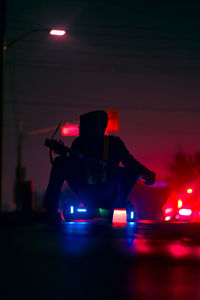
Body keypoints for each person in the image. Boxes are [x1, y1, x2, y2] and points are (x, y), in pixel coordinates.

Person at [43, 110, 155, 221]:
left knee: (132, 172)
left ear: (96, 128)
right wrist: (63, 155)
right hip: (88, 194)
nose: (79, 130)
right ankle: (51, 210)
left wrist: (147, 173)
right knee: (60, 162)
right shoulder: (78, 143)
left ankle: (118, 206)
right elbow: (73, 168)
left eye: (83, 127)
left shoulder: (114, 144)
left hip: (110, 194)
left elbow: (130, 163)